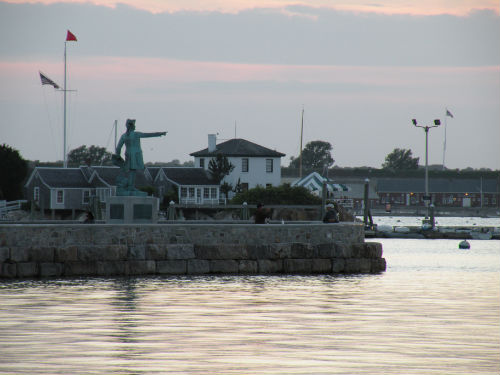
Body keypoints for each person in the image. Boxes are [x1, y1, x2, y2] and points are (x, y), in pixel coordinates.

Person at [115, 119, 166, 195]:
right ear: (132, 126)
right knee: (132, 171)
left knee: (131, 171)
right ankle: (130, 187)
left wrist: (118, 156)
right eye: (134, 125)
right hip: (135, 155)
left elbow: (118, 147)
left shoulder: (124, 136)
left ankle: (130, 186)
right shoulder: (136, 134)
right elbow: (148, 135)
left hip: (128, 154)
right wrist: (159, 134)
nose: (135, 127)